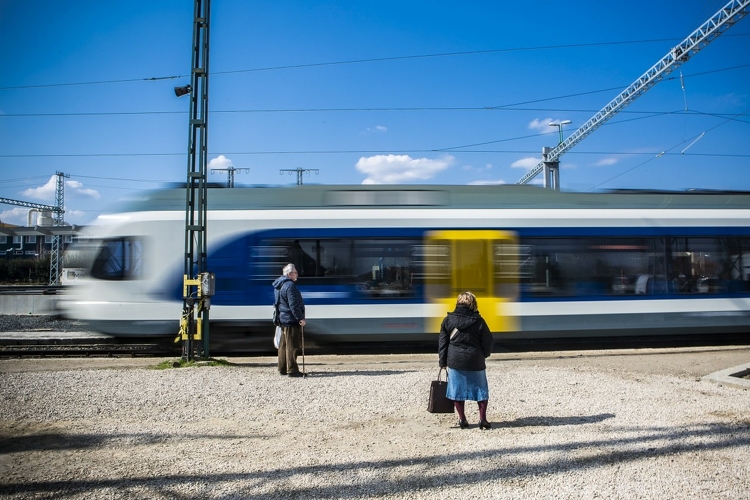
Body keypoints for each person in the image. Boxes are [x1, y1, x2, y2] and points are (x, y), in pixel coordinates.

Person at [438, 291, 494, 429]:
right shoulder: (479, 321)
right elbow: (488, 341)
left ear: (458, 303)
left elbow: (443, 343)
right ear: (473, 304)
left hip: (455, 360)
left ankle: (462, 419)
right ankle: (482, 420)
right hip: (475, 360)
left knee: (457, 391)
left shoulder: (448, 320)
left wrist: (443, 362)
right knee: (481, 390)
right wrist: (484, 354)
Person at [272, 263, 306, 377]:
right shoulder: (290, 286)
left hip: (282, 319)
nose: (297, 275)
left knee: (283, 345)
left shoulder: (279, 285)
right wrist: (300, 318)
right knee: (292, 346)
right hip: (291, 320)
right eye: (295, 272)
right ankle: (292, 370)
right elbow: (293, 305)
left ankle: (282, 368)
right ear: (289, 274)